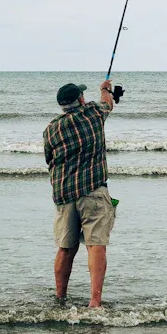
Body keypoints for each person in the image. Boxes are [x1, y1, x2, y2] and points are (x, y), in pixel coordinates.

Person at [44, 80, 117, 308]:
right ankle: (94, 301)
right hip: (93, 189)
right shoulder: (93, 113)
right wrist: (105, 89)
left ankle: (60, 297)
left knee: (65, 248)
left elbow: (49, 159)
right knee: (96, 245)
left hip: (64, 194)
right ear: (81, 100)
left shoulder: (51, 128)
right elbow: (108, 104)